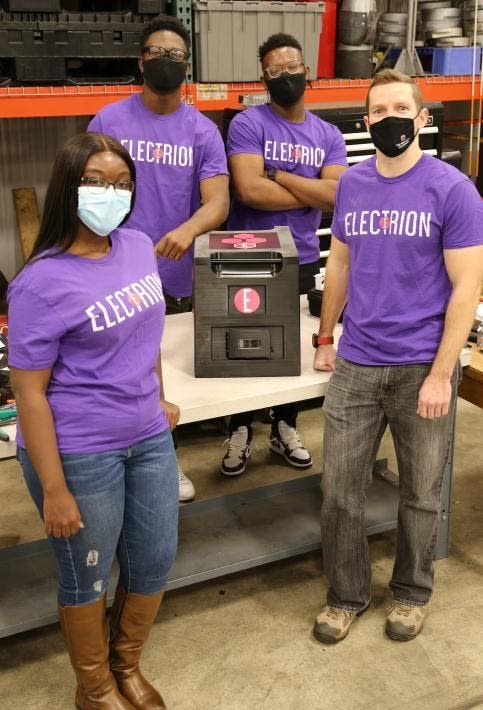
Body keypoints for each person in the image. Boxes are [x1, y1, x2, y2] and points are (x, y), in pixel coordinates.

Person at [8, 132, 179, 709]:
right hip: (81, 449)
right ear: (70, 188)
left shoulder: (136, 245)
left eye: (123, 184)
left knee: (154, 558)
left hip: (148, 436)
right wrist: (53, 489)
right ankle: (95, 687)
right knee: (88, 574)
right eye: (97, 183)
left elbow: (146, 328)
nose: (111, 194)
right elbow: (28, 394)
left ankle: (126, 665)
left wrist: (159, 395)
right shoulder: (40, 282)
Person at [312, 69, 483, 644]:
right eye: (378, 111)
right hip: (357, 362)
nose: (389, 119)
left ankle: (411, 593)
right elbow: (339, 263)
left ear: (422, 119)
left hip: (422, 368)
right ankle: (346, 596)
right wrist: (326, 336)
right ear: (367, 123)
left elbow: (466, 287)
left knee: (420, 492)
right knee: (340, 491)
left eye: (399, 109)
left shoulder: (452, 189)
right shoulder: (353, 186)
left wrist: (442, 374)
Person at [88, 14, 230, 501]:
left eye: (175, 55)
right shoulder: (109, 121)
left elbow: (218, 201)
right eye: (156, 53)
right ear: (140, 61)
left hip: (177, 276)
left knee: (171, 381)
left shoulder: (202, 130)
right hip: (117, 274)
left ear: (186, 65)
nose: (165, 62)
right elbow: (85, 188)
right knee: (123, 376)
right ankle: (134, 466)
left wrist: (187, 230)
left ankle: (163, 462)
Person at [221, 32, 347, 477]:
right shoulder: (247, 123)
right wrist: (308, 189)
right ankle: (239, 430)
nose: (286, 75)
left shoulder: (328, 134)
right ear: (264, 77)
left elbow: (337, 195)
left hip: (303, 255)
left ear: (307, 71)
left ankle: (284, 427)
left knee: (291, 349)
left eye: (293, 66)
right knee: (243, 347)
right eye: (276, 70)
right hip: (247, 254)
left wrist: (281, 176)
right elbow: (250, 190)